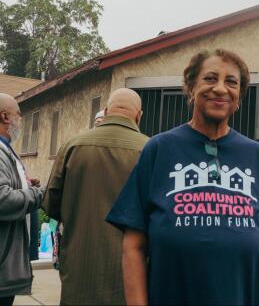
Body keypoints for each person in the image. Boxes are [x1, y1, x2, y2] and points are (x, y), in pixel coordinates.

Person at [106, 49, 259, 305]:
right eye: (210, 79)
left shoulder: (257, 156)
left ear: (239, 97)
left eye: (231, 82)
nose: (221, 88)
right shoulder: (158, 149)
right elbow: (133, 247)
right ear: (190, 88)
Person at [42, 89, 148, 305]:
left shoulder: (73, 145)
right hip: (129, 273)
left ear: (107, 111)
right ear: (139, 115)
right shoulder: (150, 149)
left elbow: (51, 204)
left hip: (79, 268)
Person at [0, 93, 45, 306]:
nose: (20, 120)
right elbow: (2, 199)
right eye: (18, 115)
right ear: (5, 116)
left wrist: (25, 185)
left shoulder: (6, 149)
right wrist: (39, 194)